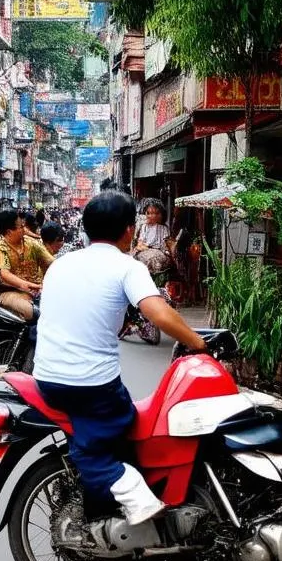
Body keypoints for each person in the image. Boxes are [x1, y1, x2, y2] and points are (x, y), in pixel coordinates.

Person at [34, 191, 207, 529]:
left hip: (47, 377)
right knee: (122, 420)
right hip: (92, 385)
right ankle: (136, 496)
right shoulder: (127, 266)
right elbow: (157, 312)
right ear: (130, 230)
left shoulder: (62, 264)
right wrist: (199, 343)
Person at [0, 209, 54, 321]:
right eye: (21, 227)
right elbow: (5, 274)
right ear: (10, 232)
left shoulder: (31, 243)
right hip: (11, 293)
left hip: (37, 291)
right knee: (33, 312)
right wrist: (26, 285)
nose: (24, 229)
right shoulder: (0, 248)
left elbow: (51, 261)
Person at [132, 200, 174, 274]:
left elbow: (166, 246)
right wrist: (146, 248)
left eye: (156, 213)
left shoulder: (164, 228)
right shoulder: (144, 227)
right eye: (149, 213)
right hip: (145, 250)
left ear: (162, 214)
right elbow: (140, 244)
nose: (152, 216)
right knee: (149, 259)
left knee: (156, 259)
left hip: (160, 252)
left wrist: (166, 251)